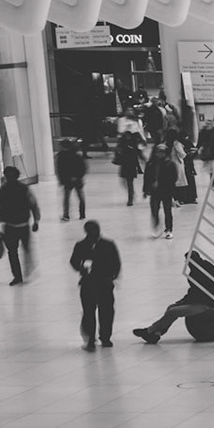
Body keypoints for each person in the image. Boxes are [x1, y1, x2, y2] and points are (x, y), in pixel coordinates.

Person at [134, 253, 214, 343]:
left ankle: (149, 331)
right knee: (171, 307)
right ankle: (156, 334)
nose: (186, 263)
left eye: (187, 261)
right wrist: (183, 301)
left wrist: (185, 302)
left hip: (207, 304)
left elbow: (200, 293)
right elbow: (194, 292)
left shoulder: (200, 273)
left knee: (173, 312)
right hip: (200, 301)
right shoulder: (198, 270)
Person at [70, 219, 121, 350]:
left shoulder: (107, 245)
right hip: (90, 283)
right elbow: (74, 261)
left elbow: (116, 263)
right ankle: (93, 339)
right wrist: (82, 268)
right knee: (91, 312)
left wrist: (111, 276)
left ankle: (103, 337)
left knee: (104, 311)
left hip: (101, 282)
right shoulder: (82, 245)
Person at [0, 164, 40, 284]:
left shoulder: (3, 190)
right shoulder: (24, 189)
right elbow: (33, 205)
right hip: (23, 225)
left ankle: (18, 276)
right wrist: (36, 221)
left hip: (10, 226)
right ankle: (26, 272)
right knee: (25, 249)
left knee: (12, 252)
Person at [55, 138, 88, 221]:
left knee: (66, 198)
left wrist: (61, 180)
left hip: (67, 180)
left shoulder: (60, 156)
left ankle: (66, 215)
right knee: (80, 197)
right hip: (77, 180)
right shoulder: (76, 155)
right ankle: (82, 214)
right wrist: (78, 176)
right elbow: (83, 168)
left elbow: (60, 170)